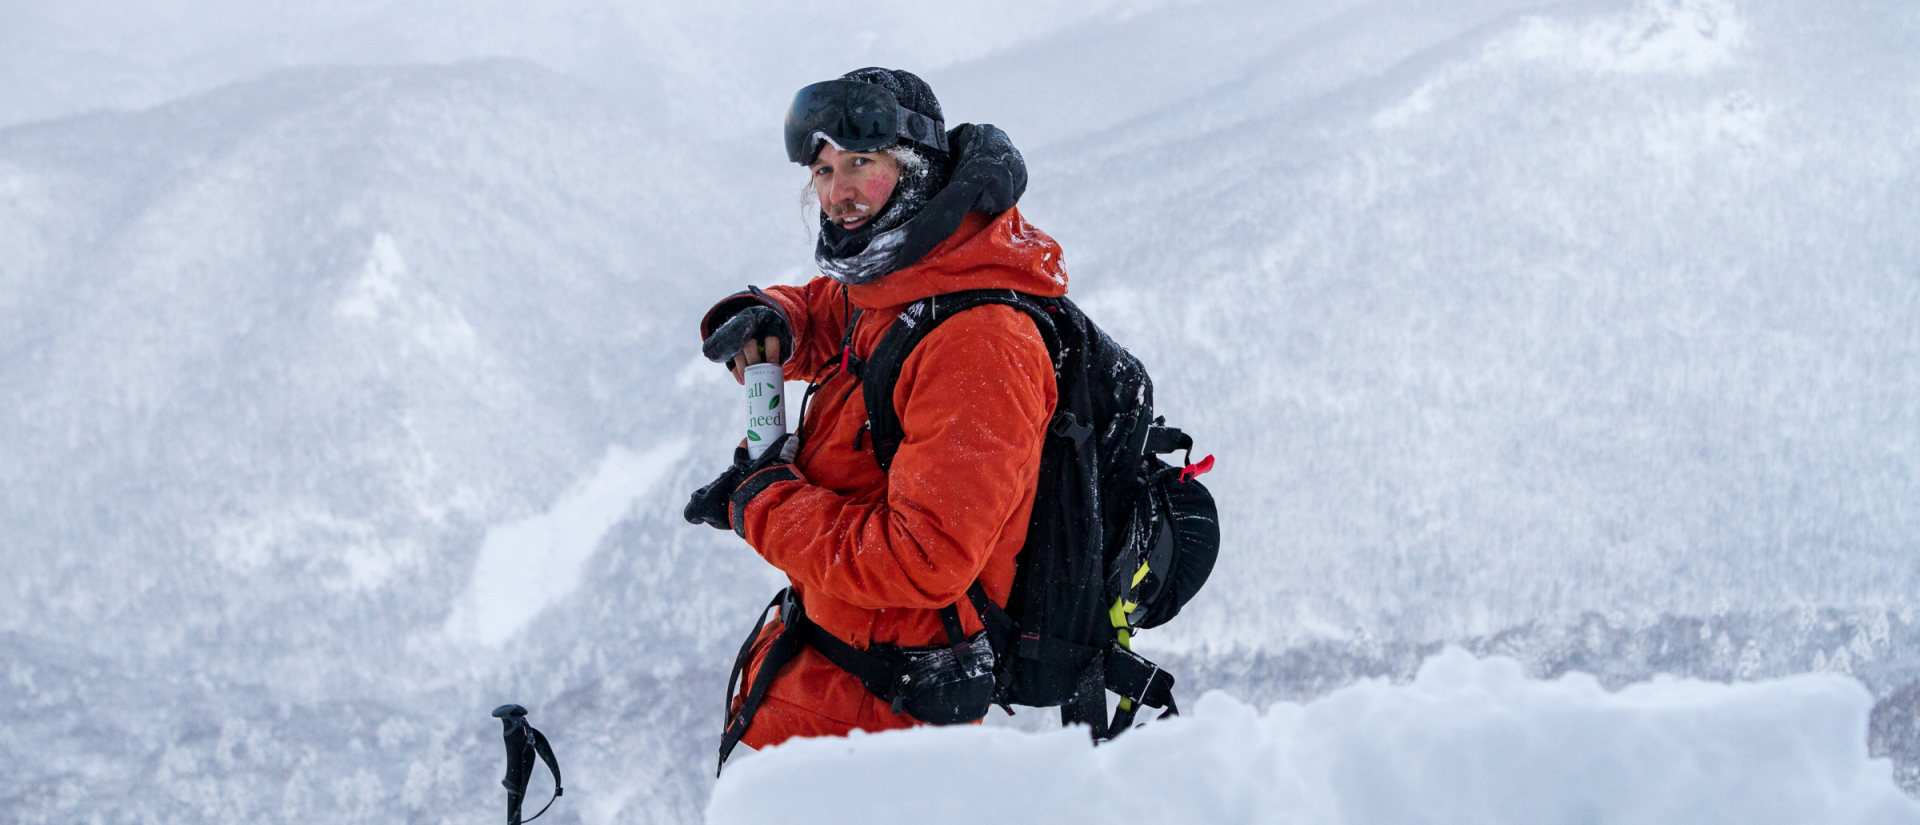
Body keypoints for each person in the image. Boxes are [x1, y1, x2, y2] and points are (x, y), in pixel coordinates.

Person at [683, 67, 1068, 754]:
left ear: (916, 168)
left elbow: (923, 558)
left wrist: (763, 504)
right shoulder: (914, 266)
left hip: (884, 735)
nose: (838, 193)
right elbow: (852, 312)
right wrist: (781, 317)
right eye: (824, 171)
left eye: (861, 163)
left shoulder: (981, 343)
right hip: (828, 690)